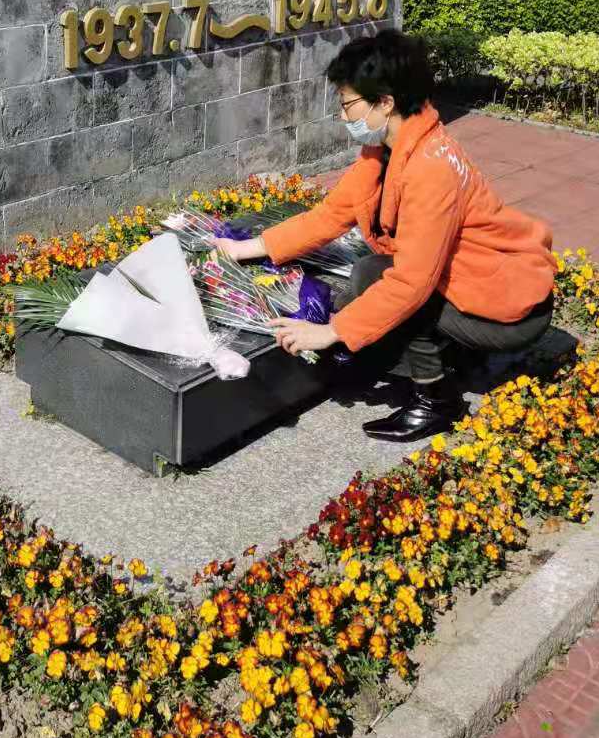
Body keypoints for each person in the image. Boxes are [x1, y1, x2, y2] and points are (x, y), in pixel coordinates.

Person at [217, 29, 556, 441]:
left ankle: (437, 400)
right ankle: (456, 354)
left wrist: (332, 331)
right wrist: (244, 249)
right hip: (476, 281)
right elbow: (331, 214)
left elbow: (411, 283)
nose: (344, 117)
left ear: (385, 102)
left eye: (348, 104)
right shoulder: (388, 147)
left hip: (505, 307)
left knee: (392, 291)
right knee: (369, 273)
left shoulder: (430, 169)